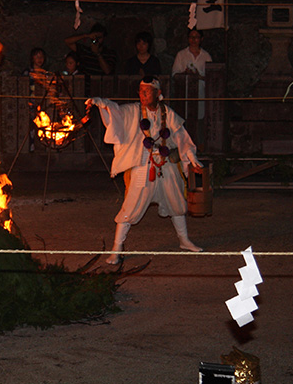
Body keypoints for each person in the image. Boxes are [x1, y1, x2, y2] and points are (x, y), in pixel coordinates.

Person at [86, 76, 204, 263]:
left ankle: (184, 240)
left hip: (166, 164)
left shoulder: (168, 113)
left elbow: (181, 136)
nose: (142, 94)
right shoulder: (133, 111)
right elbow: (116, 112)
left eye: (147, 91)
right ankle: (117, 248)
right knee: (130, 207)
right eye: (140, 91)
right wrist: (103, 104)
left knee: (177, 203)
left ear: (158, 93)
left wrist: (192, 157)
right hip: (143, 165)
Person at [171, 27, 211, 121]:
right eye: (191, 37)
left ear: (201, 39)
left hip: (200, 92)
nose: (193, 40)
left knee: (199, 117)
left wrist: (198, 76)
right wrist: (185, 74)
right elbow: (174, 74)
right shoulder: (181, 55)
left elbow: (210, 77)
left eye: (196, 37)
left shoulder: (206, 56)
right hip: (184, 92)